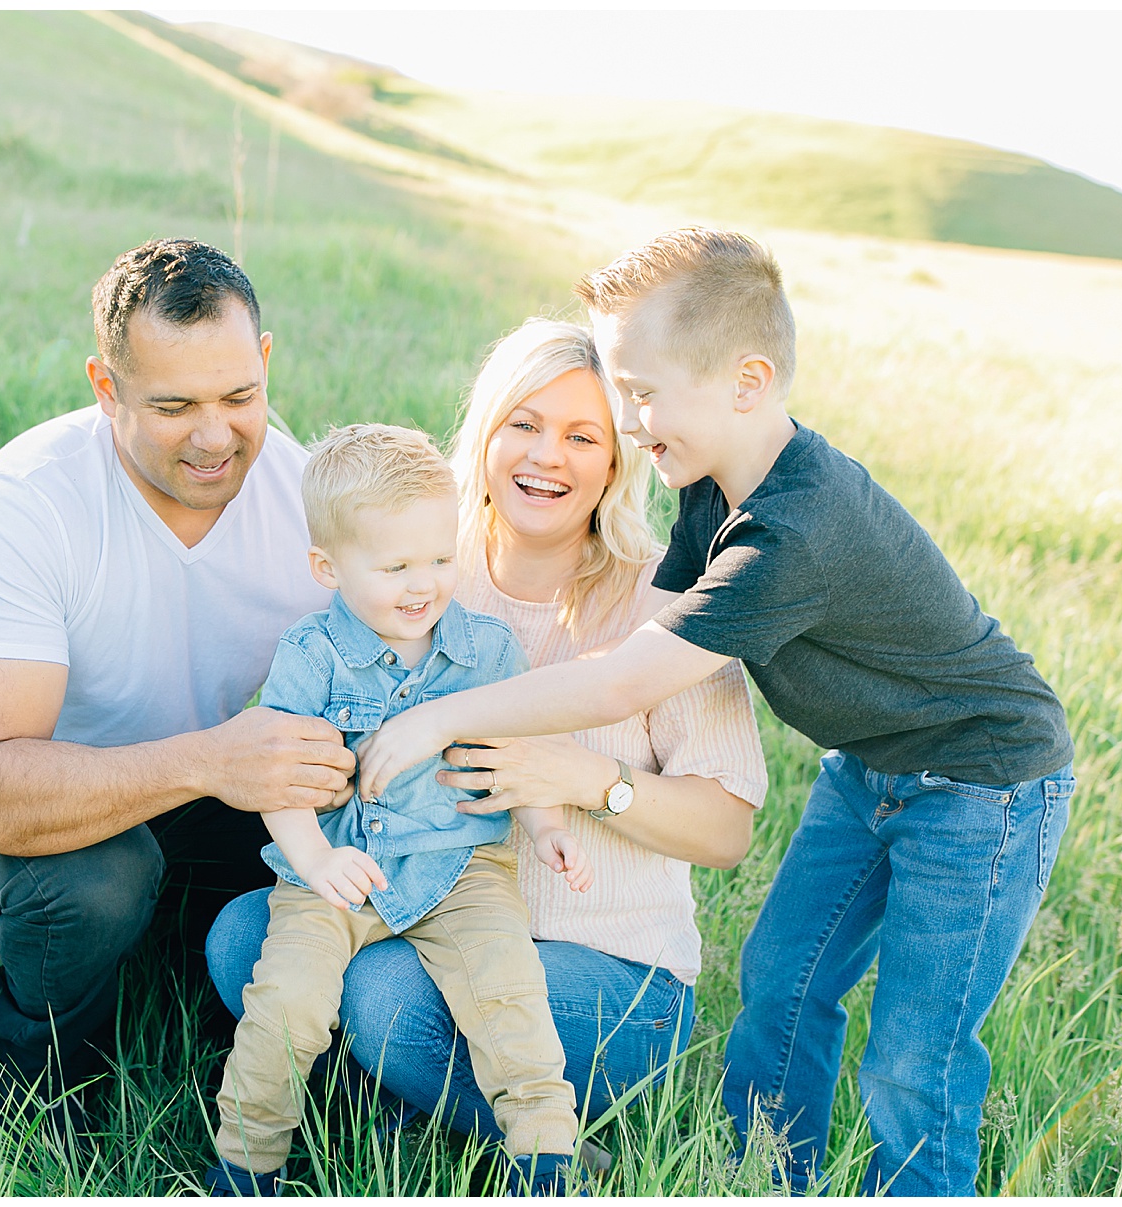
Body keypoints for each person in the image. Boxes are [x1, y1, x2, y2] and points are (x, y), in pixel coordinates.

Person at [355, 231, 1076, 1196]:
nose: (631, 420)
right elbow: (641, 613)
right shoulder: (708, 490)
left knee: (918, 1050)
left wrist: (444, 720)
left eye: (642, 395)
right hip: (868, 766)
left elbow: (623, 680)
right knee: (783, 981)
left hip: (984, 781)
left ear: (747, 380)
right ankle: (772, 1178)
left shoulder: (795, 533)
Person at [206, 320, 767, 1165]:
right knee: (246, 936)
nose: (549, 456)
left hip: (608, 970)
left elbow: (727, 831)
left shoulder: (669, 599)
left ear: (617, 457)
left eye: (583, 435)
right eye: (525, 424)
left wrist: (578, 776)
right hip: (415, 902)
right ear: (486, 433)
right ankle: (403, 1110)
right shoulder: (420, 570)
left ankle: (547, 1147)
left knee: (383, 993)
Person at [0, 238, 356, 1137]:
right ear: (107, 388)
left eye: (239, 397)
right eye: (174, 406)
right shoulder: (29, 499)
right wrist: (210, 759)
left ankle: (288, 1059)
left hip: (182, 784)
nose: (216, 435)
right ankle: (36, 1092)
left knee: (346, 802)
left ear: (265, 362)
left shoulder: (305, 504)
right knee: (102, 876)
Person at [206, 423, 593, 1198]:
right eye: (395, 566)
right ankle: (247, 1166)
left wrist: (547, 824)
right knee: (287, 1001)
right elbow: (280, 778)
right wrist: (314, 859)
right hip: (340, 865)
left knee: (508, 994)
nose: (424, 583)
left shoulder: (486, 650)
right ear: (328, 566)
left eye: (442, 558)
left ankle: (548, 1161)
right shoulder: (311, 655)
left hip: (462, 866)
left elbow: (521, 742)